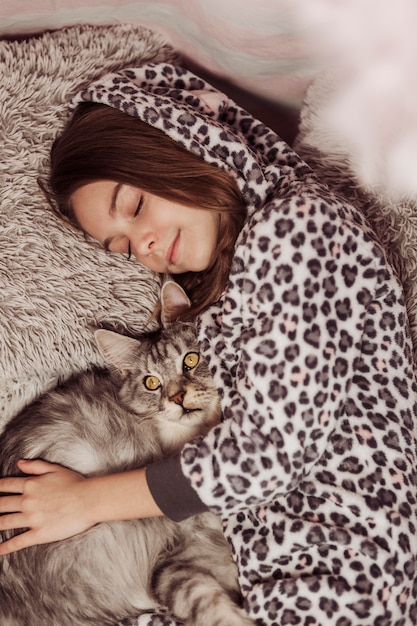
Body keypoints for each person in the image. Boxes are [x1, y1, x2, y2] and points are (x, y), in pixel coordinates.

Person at [1, 62, 417, 626]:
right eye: (122, 248)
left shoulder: (298, 225)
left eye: (136, 206)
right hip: (257, 568)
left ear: (188, 143)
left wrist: (86, 501)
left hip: (334, 558)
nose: (143, 244)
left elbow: (268, 453)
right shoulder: (230, 292)